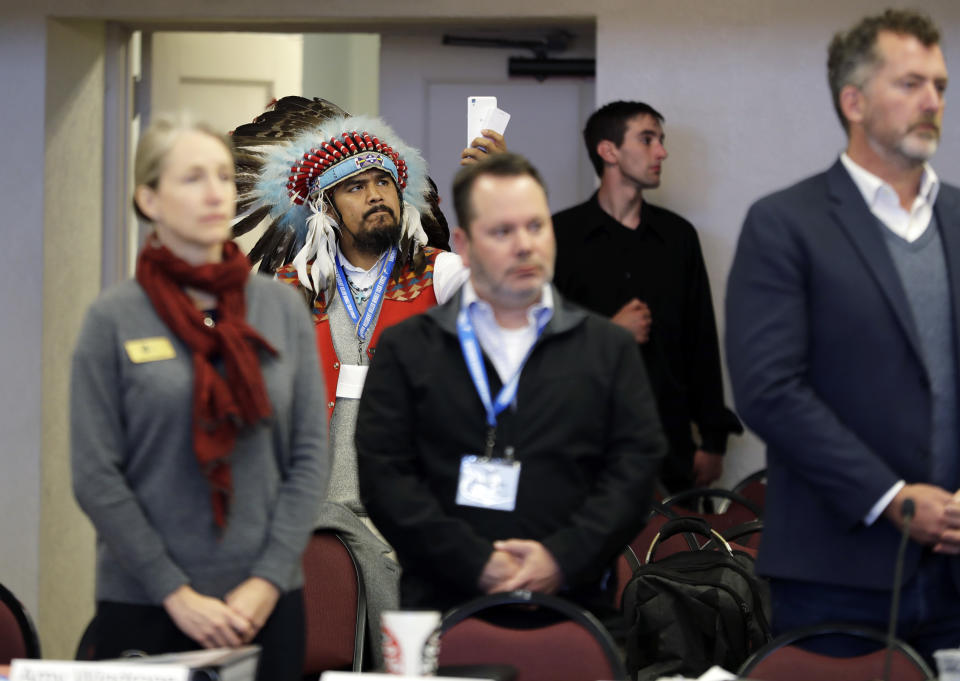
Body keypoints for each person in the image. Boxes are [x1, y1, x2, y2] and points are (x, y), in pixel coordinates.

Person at [228, 97, 504, 658]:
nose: (376, 193)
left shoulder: (437, 271)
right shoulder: (292, 286)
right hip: (320, 503)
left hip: (415, 495)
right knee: (324, 637)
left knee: (414, 643)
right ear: (325, 207)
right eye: (355, 186)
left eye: (384, 181)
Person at [726, 9, 960, 662]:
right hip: (836, 571)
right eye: (911, 84)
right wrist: (891, 497)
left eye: (940, 85)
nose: (933, 101)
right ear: (853, 101)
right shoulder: (785, 224)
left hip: (955, 574)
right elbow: (769, 389)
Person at [355, 152, 666, 624]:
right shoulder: (408, 349)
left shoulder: (606, 348)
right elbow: (386, 477)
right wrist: (475, 563)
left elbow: (635, 470)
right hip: (446, 606)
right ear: (464, 243)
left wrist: (561, 558)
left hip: (575, 607)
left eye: (536, 226)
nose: (525, 246)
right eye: (502, 231)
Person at [70, 117, 328, 681]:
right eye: (192, 178)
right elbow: (95, 476)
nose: (215, 191)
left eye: (221, 174)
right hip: (146, 602)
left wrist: (266, 581)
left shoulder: (281, 309)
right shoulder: (112, 318)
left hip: (265, 604)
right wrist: (175, 592)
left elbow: (310, 457)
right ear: (149, 198)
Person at [552, 101, 741, 493]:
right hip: (580, 446)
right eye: (647, 139)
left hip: (670, 448)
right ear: (609, 151)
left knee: (679, 553)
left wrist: (713, 439)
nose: (662, 152)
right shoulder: (559, 236)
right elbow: (534, 341)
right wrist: (608, 333)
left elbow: (700, 338)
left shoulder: (679, 238)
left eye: (661, 140)